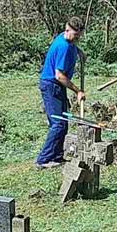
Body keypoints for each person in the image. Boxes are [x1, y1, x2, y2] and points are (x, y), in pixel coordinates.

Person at [37, 17, 86, 169]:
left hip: (56, 85)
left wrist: (79, 52)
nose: (77, 39)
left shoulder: (66, 39)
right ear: (67, 30)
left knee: (62, 123)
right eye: (75, 36)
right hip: (52, 85)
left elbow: (72, 45)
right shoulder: (63, 47)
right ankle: (43, 160)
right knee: (58, 124)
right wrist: (78, 91)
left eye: (79, 36)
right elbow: (59, 75)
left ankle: (57, 157)